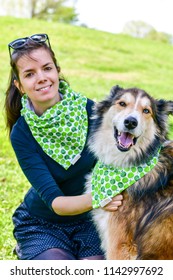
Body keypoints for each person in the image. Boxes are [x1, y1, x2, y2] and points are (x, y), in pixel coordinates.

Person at [5, 33, 123, 260]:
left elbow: (127, 149)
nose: (41, 78)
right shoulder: (22, 133)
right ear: (19, 86)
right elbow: (57, 203)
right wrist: (101, 197)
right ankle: (29, 249)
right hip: (43, 222)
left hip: (91, 220)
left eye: (46, 68)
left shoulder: (90, 111)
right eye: (30, 74)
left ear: (57, 71)